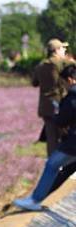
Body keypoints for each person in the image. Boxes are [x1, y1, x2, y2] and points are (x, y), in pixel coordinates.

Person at [14, 64, 76, 211]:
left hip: (74, 143)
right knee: (64, 170)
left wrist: (56, 113)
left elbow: (62, 120)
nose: (64, 87)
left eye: (64, 83)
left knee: (52, 164)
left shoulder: (72, 97)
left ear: (70, 80)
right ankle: (37, 198)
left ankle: (35, 200)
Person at [32, 38, 69, 157]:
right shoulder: (63, 63)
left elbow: (34, 83)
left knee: (51, 140)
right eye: (63, 48)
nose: (64, 50)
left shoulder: (40, 65)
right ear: (57, 50)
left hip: (46, 107)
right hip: (61, 105)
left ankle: (53, 167)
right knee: (67, 137)